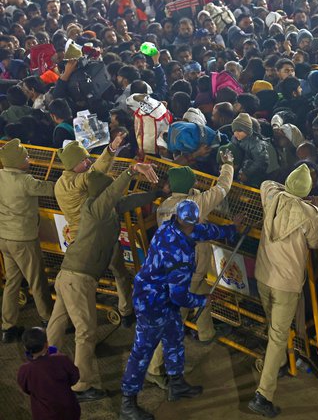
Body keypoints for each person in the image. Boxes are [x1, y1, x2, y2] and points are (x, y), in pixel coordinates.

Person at [47, 161, 160, 402]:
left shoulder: (100, 207)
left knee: (58, 321)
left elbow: (126, 201)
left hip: (68, 274)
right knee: (86, 332)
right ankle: (81, 384)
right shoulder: (96, 208)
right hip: (79, 278)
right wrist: (130, 171)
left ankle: (47, 361)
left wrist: (157, 193)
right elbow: (114, 194)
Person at [120, 200, 238, 420]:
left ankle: (176, 384)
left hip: (164, 299)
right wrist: (201, 300)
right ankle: (128, 403)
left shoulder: (170, 225)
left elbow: (202, 231)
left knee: (174, 338)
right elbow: (180, 296)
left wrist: (231, 229)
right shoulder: (179, 256)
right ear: (188, 222)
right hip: (152, 302)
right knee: (142, 351)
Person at [147, 151, 236, 387]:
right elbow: (223, 188)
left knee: (201, 291)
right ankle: (154, 368)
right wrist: (227, 164)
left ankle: (206, 332)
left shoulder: (165, 206)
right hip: (188, 271)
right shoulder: (194, 205)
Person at [248, 164, 318, 417]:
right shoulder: (310, 215)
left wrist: (288, 190)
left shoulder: (271, 196)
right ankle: (263, 395)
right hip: (286, 285)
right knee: (279, 335)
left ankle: (278, 361)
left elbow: (267, 182)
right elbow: (316, 242)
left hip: (263, 276)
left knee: (274, 330)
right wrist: (314, 207)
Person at [54, 135, 137, 326]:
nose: (88, 161)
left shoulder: (59, 184)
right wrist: (110, 151)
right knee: (119, 274)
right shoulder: (78, 182)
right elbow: (96, 173)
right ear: (72, 164)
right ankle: (126, 312)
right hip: (99, 237)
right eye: (83, 160)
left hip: (77, 240)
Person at [0, 139, 53, 343]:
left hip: (4, 238)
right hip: (23, 239)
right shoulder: (26, 181)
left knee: (12, 282)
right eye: (26, 157)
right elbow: (51, 189)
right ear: (17, 163)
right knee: (37, 280)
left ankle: (8, 327)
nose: (29, 159)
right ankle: (49, 320)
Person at [17, 327, 81, 420]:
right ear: (46, 344)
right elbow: (75, 377)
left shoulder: (24, 370)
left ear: (25, 347)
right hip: (69, 410)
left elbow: (26, 389)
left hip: (43, 413)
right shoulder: (62, 359)